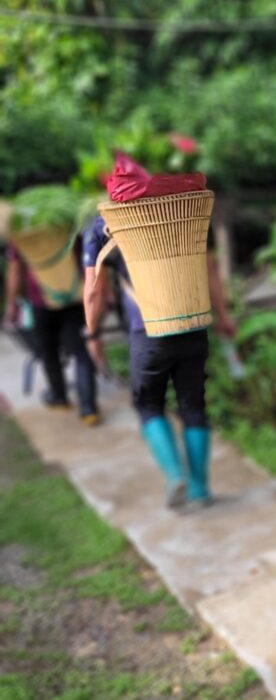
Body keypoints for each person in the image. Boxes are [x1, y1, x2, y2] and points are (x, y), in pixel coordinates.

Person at [81, 215, 236, 509]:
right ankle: (200, 490)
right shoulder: (182, 215)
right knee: (193, 405)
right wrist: (224, 315)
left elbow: (96, 289)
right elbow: (209, 268)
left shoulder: (103, 225)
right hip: (192, 326)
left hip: (147, 332)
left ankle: (176, 475)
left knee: (148, 403)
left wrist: (93, 333)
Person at [3, 241, 100, 425]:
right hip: (73, 297)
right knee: (81, 352)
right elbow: (86, 258)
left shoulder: (21, 231)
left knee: (49, 351)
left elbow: (15, 271)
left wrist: (11, 304)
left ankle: (60, 398)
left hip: (40, 300)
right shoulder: (64, 221)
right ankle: (89, 409)